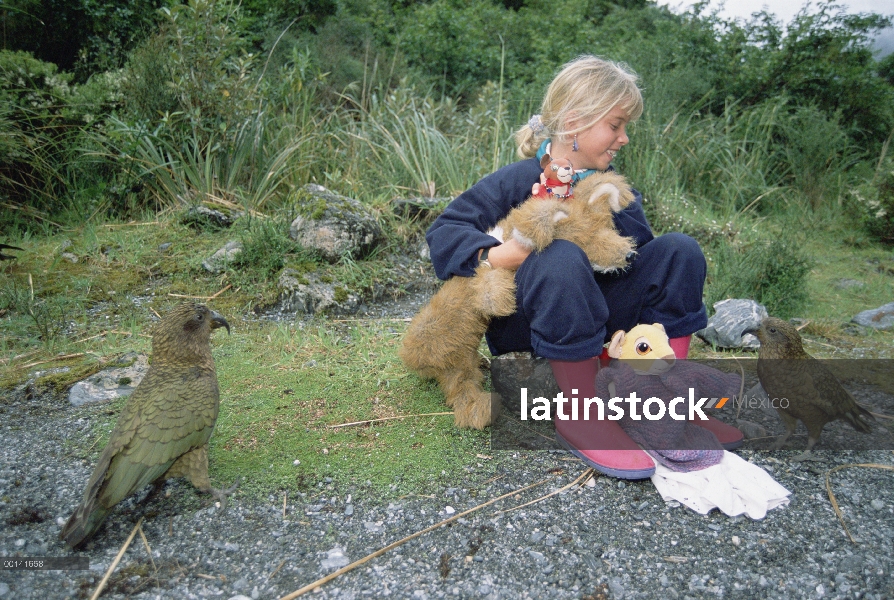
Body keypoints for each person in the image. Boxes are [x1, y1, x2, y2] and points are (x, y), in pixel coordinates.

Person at [426, 55, 740, 479]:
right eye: (616, 125)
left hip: (603, 327)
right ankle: (581, 415)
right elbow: (445, 231)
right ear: (574, 122)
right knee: (559, 255)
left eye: (625, 127)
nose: (624, 138)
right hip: (529, 324)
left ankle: (662, 400)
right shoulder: (516, 179)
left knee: (679, 250)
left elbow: (637, 260)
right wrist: (498, 255)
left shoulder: (609, 186)